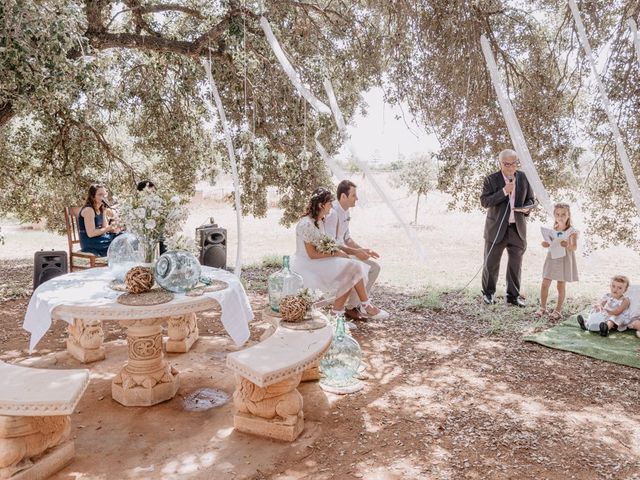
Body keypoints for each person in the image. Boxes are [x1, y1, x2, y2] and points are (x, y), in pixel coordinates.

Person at [290, 187, 389, 320]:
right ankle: (365, 306)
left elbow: (325, 245)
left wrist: (339, 252)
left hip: (318, 260)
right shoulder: (306, 224)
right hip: (308, 263)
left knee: (351, 268)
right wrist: (336, 254)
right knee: (352, 267)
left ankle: (339, 314)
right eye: (329, 204)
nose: (331, 207)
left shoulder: (319, 221)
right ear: (321, 205)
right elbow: (312, 255)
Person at [480, 149, 536, 307]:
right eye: (507, 164)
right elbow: (485, 202)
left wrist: (527, 208)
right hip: (496, 229)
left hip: (517, 229)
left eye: (514, 164)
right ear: (500, 163)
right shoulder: (491, 179)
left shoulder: (524, 178)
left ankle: (513, 296)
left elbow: (531, 199)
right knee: (491, 264)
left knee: (515, 265)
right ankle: (489, 294)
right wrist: (504, 191)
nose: (511, 167)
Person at [324, 180, 382, 320]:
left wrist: (364, 250)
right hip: (333, 256)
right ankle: (356, 307)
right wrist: (356, 253)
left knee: (374, 267)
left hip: (344, 253)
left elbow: (347, 238)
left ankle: (353, 307)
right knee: (359, 267)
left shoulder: (346, 211)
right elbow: (331, 244)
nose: (357, 198)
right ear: (343, 196)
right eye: (353, 195)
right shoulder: (332, 213)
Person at [536, 203, 579, 319]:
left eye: (563, 214)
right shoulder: (553, 230)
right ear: (554, 215)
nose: (560, 217)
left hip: (564, 259)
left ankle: (558, 310)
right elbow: (550, 244)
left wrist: (567, 244)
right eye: (557, 214)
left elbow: (574, 247)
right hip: (552, 258)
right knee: (545, 283)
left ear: (568, 215)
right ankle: (542, 307)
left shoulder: (572, 231)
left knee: (560, 286)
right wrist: (545, 244)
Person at [78, 183, 121, 256]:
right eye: (100, 195)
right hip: (91, 243)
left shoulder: (100, 209)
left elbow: (104, 228)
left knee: (122, 236)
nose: (103, 197)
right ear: (92, 196)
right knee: (118, 242)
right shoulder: (89, 210)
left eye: (104, 195)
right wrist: (109, 228)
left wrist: (104, 213)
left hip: (100, 239)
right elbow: (91, 233)